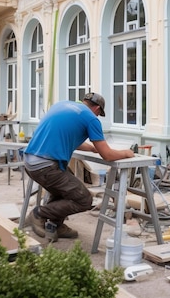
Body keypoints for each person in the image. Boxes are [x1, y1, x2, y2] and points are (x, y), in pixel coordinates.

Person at [24, 92, 135, 242]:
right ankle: (39, 214)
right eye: (99, 114)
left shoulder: (62, 105)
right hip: (46, 166)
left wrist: (92, 148)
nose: (97, 117)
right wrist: (125, 153)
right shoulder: (90, 118)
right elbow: (107, 155)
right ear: (97, 109)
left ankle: (56, 225)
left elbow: (68, 137)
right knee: (84, 199)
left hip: (31, 162)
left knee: (66, 190)